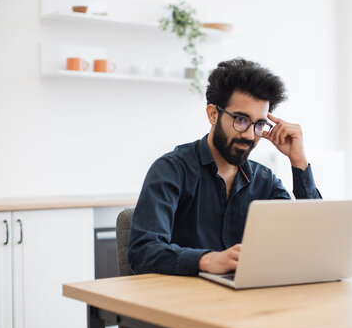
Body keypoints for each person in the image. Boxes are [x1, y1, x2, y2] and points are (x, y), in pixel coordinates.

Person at [127, 58, 322, 277]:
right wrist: (206, 260)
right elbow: (142, 253)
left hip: (247, 299)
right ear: (213, 114)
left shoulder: (264, 181)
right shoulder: (171, 170)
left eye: (259, 125)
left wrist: (299, 162)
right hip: (184, 301)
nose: (249, 134)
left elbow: (313, 243)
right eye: (240, 119)